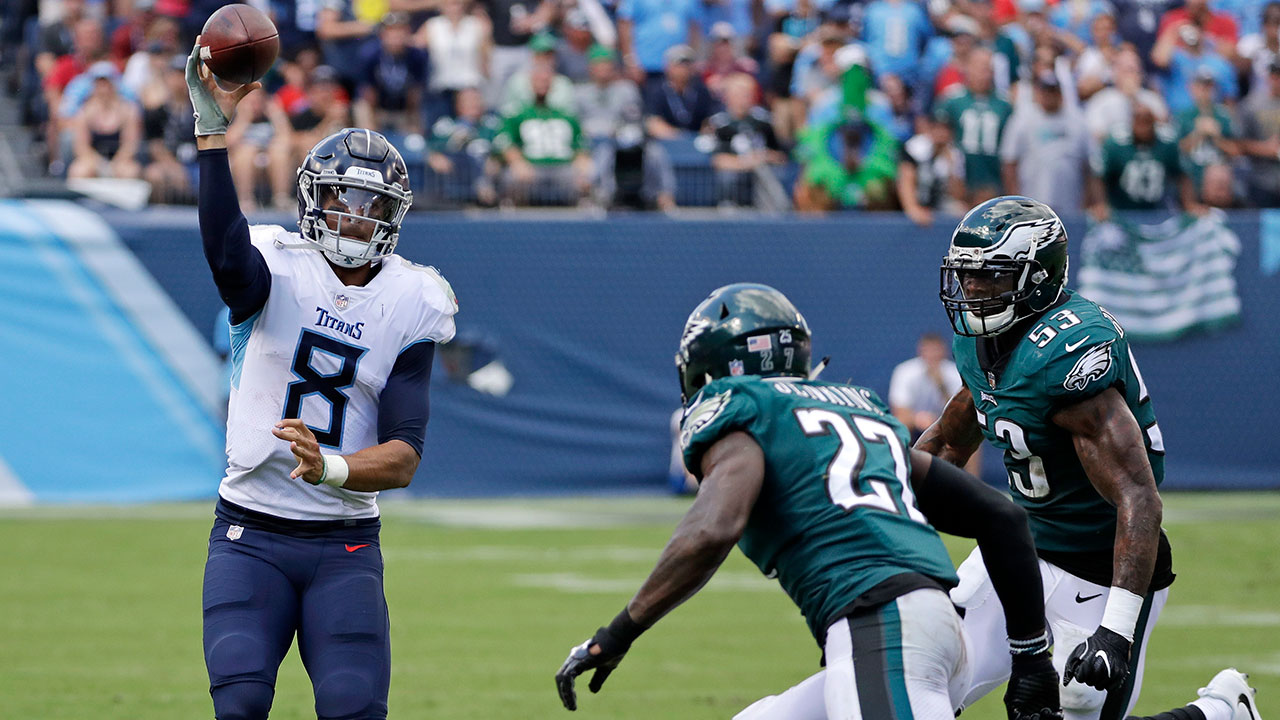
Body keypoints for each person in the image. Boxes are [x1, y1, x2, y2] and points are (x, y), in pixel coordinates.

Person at [555, 282, 1062, 720]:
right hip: (921, 626)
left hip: (882, 630)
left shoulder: (745, 408)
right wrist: (1032, 658)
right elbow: (1001, 516)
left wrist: (619, 632)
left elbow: (712, 529)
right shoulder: (860, 410)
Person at [185, 36, 458, 720]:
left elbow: (402, 457)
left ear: (393, 214)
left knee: (352, 708)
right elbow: (225, 254)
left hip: (344, 542)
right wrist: (213, 134)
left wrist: (328, 466)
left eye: (369, 204)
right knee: (240, 704)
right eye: (341, 198)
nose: (354, 217)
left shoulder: (411, 299)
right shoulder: (277, 264)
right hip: (250, 534)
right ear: (314, 198)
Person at [920, 195, 1258, 720]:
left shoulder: (1067, 354)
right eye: (966, 275)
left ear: (1035, 278)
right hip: (1018, 551)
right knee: (920, 676)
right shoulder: (981, 343)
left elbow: (1138, 496)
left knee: (1078, 704)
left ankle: (1220, 711)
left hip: (1101, 566)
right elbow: (946, 442)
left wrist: (1117, 629)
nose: (971, 290)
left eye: (989, 276)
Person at [1088, 103, 1195, 219]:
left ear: (1154, 123)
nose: (1143, 128)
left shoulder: (1168, 143)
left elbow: (1183, 174)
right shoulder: (1115, 144)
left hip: (1158, 211)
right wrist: (1101, 204)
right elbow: (1099, 175)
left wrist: (1188, 203)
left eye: (1147, 122)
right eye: (1139, 122)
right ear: (1131, 122)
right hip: (1121, 211)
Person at [934, 47, 1013, 205]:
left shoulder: (1005, 103)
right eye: (980, 67)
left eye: (989, 69)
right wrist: (954, 173)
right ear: (967, 68)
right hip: (960, 183)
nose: (985, 74)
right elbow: (940, 139)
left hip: (993, 180)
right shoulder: (952, 99)